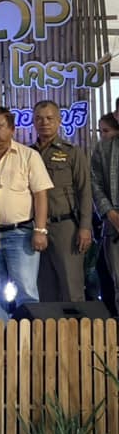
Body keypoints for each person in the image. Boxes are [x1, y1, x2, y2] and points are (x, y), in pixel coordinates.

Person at [0, 106, 52, 321]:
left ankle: (26, 334)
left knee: (26, 290)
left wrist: (40, 230)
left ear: (12, 128)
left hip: (21, 233)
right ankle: (3, 332)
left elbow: (40, 195)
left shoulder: (29, 155)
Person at [31, 100, 93, 303]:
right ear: (33, 121)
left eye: (49, 118)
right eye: (39, 118)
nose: (44, 123)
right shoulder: (28, 153)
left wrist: (85, 227)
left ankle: (76, 325)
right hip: (35, 228)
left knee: (71, 287)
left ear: (59, 121)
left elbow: (85, 191)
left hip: (65, 227)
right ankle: (49, 326)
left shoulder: (71, 152)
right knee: (44, 289)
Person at [88, 113, 119, 312]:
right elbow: (95, 183)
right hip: (113, 223)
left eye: (105, 130)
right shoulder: (103, 148)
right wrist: (110, 212)